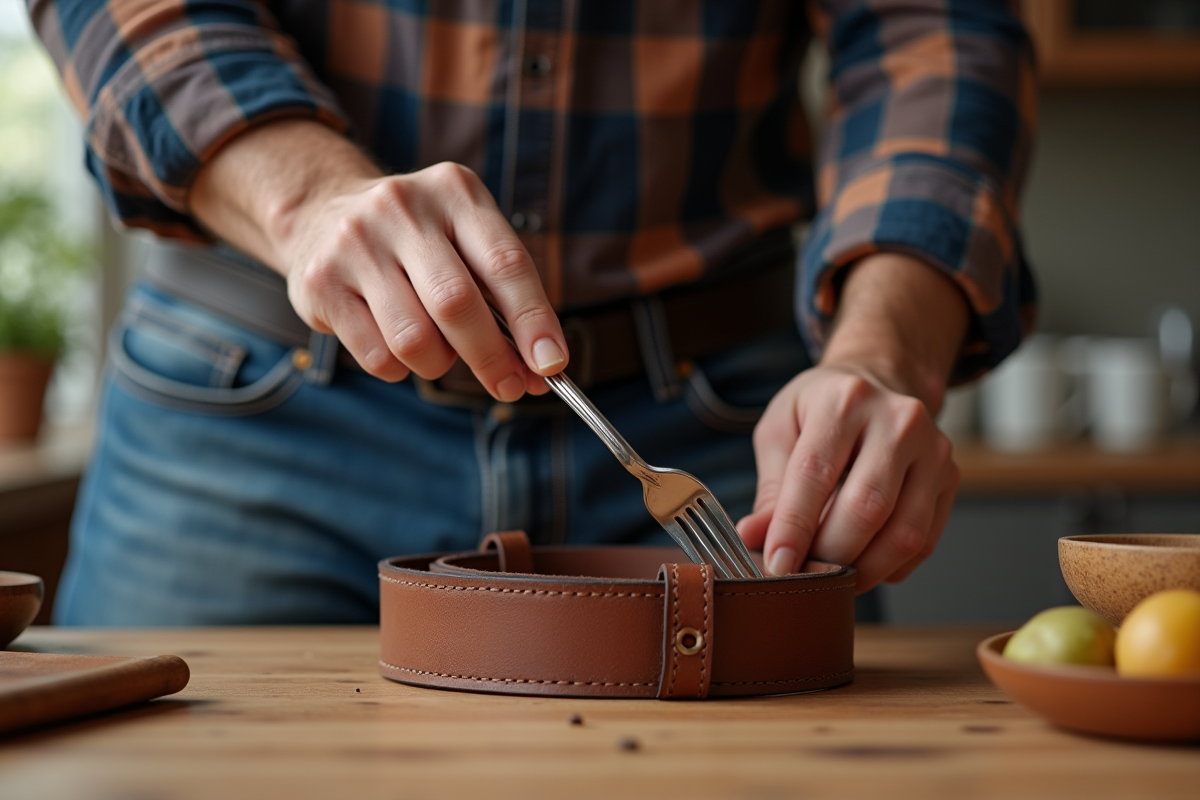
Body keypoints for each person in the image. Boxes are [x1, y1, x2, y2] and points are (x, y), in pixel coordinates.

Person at [30, 0, 1036, 625]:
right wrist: (303, 197)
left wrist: (885, 352)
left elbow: (939, 33)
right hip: (249, 413)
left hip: (731, 424)